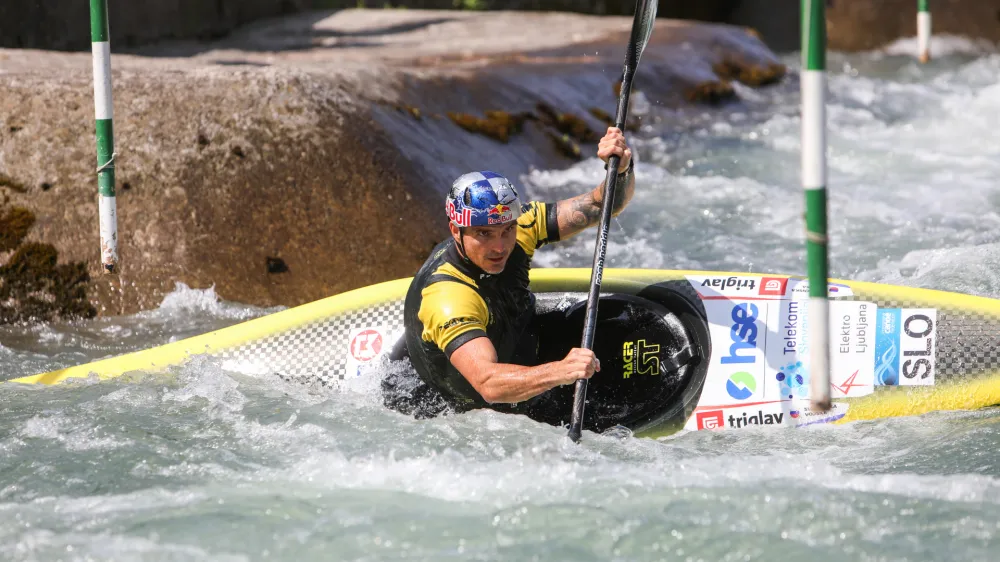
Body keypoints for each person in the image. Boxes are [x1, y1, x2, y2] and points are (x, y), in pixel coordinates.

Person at [385, 127, 635, 418]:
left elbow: (603, 204)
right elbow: (488, 383)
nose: (499, 246)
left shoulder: (522, 226)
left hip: (517, 341)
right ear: (456, 230)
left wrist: (620, 169)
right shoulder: (447, 297)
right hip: (468, 408)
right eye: (484, 233)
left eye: (507, 230)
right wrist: (561, 371)